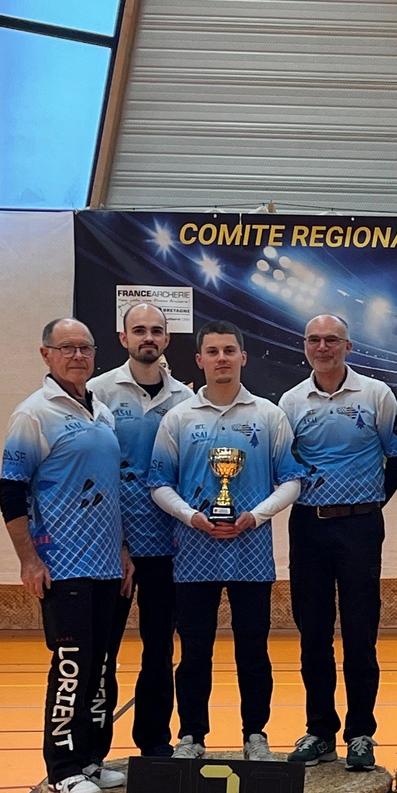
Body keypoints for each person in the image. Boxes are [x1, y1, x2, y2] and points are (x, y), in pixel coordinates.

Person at [148, 321, 301, 763]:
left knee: (253, 651)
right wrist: (191, 517)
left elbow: (292, 479)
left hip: (251, 554)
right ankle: (192, 736)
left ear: (242, 357)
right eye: (212, 352)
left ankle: (256, 734)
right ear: (199, 360)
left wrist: (256, 516)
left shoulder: (269, 415)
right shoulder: (179, 418)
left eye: (229, 351)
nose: (221, 359)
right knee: (194, 652)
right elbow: (159, 484)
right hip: (193, 554)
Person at [0, 318, 132, 793]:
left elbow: (111, 489)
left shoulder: (103, 413)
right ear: (46, 354)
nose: (78, 355)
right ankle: (62, 770)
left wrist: (123, 549)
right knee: (73, 669)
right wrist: (29, 560)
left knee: (102, 669)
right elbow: (10, 492)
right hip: (63, 564)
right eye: (67, 348)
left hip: (108, 565)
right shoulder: (34, 415)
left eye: (85, 348)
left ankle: (92, 760)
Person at [280, 313, 397, 772]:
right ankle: (319, 731)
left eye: (332, 340)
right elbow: (284, 466)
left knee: (360, 635)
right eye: (314, 340)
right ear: (305, 346)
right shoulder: (291, 401)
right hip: (307, 528)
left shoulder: (376, 394)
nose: (323, 347)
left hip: (360, 529)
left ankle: (360, 734)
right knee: (313, 635)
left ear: (348, 347)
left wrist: (368, 502)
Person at [88, 303, 193, 756]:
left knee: (159, 650)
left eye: (156, 330)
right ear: (123, 338)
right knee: (102, 652)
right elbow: (94, 473)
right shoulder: (98, 392)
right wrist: (118, 543)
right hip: (112, 550)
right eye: (139, 330)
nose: (147, 337)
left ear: (167, 339)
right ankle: (93, 750)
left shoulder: (186, 400)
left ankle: (154, 744)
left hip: (168, 547)